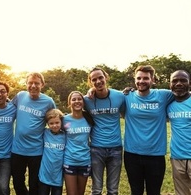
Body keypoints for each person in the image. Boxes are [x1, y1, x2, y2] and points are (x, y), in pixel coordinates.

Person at [123, 65, 174, 195]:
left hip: (156, 155)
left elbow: (183, 93)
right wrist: (91, 92)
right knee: (136, 191)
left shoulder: (164, 95)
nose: (141, 81)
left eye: (146, 78)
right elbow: (106, 94)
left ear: (152, 80)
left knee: (154, 192)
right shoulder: (127, 96)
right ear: (134, 80)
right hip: (132, 154)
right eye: (138, 78)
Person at [10, 72, 56, 195]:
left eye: (37, 83)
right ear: (26, 84)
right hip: (17, 149)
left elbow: (55, 119)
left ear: (42, 85)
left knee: (34, 184)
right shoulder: (20, 96)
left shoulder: (48, 101)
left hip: (36, 151)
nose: (33, 86)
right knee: (17, 182)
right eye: (30, 83)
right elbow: (6, 106)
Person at [84, 67, 125, 195]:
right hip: (96, 149)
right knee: (96, 189)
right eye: (94, 79)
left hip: (116, 148)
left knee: (113, 190)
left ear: (106, 77)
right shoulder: (87, 100)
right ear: (90, 82)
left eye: (100, 77)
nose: (98, 81)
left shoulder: (119, 96)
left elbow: (125, 113)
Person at [63, 91, 94, 195]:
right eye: (74, 99)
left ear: (83, 102)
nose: (77, 101)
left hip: (85, 161)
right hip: (69, 160)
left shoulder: (89, 119)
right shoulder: (64, 120)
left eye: (79, 99)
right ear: (69, 103)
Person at [167, 70, 191, 195]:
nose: (179, 83)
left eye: (183, 80)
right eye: (175, 81)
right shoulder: (168, 104)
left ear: (189, 83)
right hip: (177, 158)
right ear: (170, 84)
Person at [38, 108, 65, 195]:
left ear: (61, 122)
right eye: (51, 123)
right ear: (47, 124)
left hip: (58, 178)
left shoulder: (66, 136)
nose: (54, 125)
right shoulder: (45, 133)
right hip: (44, 176)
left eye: (57, 122)